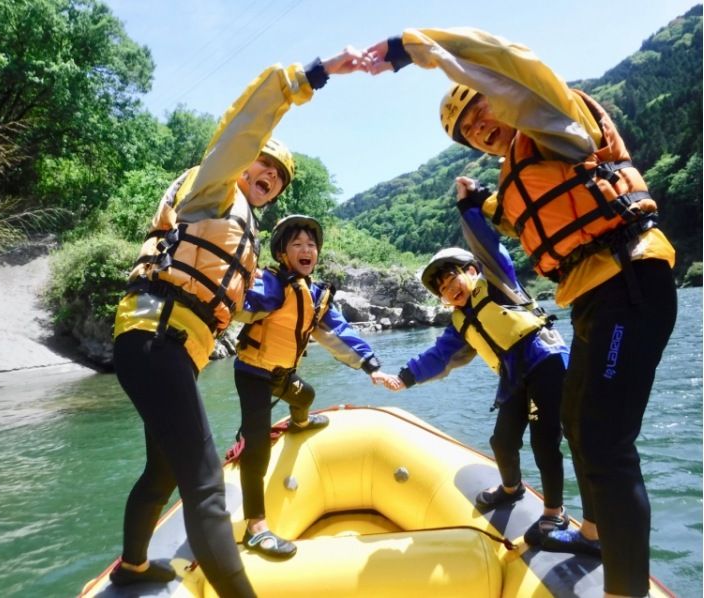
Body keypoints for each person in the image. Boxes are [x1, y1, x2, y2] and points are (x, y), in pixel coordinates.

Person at [363, 28, 677, 597]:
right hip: (595, 298)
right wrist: (472, 201)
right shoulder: (517, 171)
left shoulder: (553, 119)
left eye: (479, 108)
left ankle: (622, 588)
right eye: (468, 133)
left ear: (499, 94)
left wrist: (418, 47)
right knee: (581, 429)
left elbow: (512, 61)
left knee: (604, 440)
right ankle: (594, 532)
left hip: (631, 280)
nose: (479, 128)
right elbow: (514, 218)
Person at [109, 48, 366, 595]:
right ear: (244, 162)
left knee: (163, 471)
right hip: (157, 338)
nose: (271, 175)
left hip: (160, 344)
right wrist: (309, 77)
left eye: (281, 176)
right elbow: (244, 126)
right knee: (204, 485)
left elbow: (241, 296)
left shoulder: (240, 232)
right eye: (264, 163)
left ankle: (132, 566)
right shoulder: (213, 189)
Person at [374, 177, 570, 546]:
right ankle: (512, 489)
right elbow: (437, 358)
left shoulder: (496, 277)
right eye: (443, 290)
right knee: (502, 440)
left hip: (545, 361)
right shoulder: (460, 324)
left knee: (545, 442)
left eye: (452, 279)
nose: (451, 289)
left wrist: (468, 207)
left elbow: (487, 242)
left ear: (471, 272)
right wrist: (404, 377)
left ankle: (554, 515)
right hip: (514, 376)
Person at [233, 214, 387, 559]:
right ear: (283, 254)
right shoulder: (271, 285)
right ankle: (255, 528)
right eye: (298, 245)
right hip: (253, 373)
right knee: (257, 445)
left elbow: (340, 335)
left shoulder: (316, 296)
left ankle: (299, 421)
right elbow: (240, 306)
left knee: (308, 397)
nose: (307, 250)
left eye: (311, 245)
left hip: (283, 374)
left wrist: (370, 365)